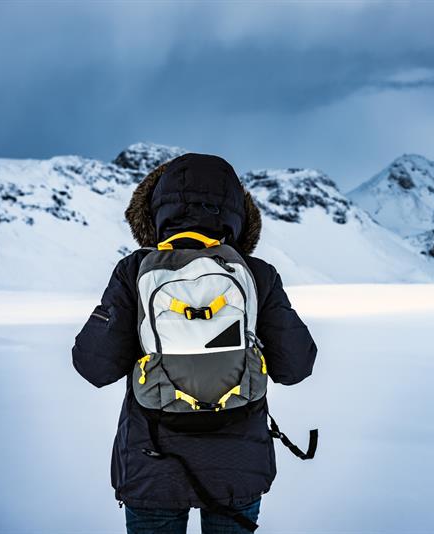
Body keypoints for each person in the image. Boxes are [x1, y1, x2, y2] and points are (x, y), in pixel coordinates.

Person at [72, 153, 318, 533]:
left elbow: (94, 365)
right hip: (238, 468)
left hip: (151, 465)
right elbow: (297, 365)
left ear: (155, 210)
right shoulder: (257, 274)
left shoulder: (135, 271)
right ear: (239, 212)